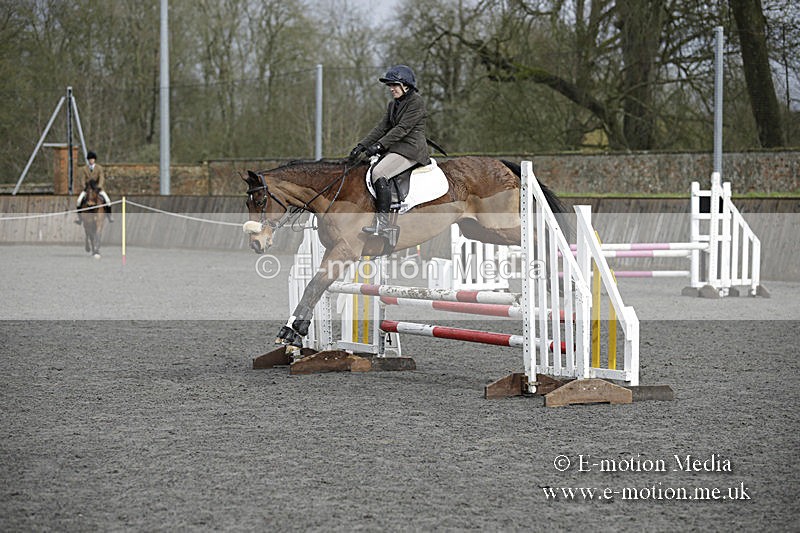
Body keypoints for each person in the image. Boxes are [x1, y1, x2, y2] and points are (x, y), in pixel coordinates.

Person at [349, 65, 430, 238]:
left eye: (394, 85)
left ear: (406, 86)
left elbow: (402, 129)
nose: (391, 89)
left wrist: (378, 146)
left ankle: (384, 223)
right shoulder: (393, 105)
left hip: (411, 150)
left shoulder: (416, 102)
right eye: (390, 86)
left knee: (379, 172)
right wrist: (361, 145)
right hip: (396, 148)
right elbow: (381, 128)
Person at [75, 150, 113, 223]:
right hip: (88, 189)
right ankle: (79, 218)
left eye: (92, 159)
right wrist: (84, 187)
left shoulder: (99, 168)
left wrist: (99, 186)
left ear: (94, 160)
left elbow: (101, 178)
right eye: (89, 159)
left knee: (108, 201)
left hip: (97, 188)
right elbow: (82, 179)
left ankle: (109, 216)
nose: (91, 161)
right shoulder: (84, 169)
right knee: (79, 201)